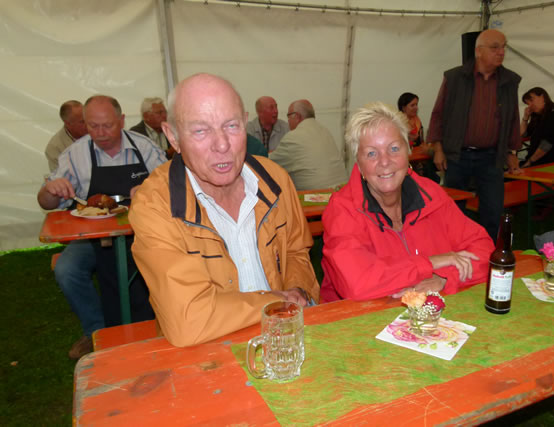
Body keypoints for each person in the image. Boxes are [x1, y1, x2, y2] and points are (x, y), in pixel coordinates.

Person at [129, 73, 320, 348]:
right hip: (207, 353)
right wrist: (277, 302)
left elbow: (296, 251)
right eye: (200, 131)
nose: (222, 145)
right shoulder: (156, 205)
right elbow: (189, 320)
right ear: (173, 137)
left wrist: (298, 289)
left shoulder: (275, 180)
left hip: (284, 341)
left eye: (231, 126)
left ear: (245, 123)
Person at [320, 102, 494, 303]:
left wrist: (444, 278)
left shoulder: (431, 195)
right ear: (358, 163)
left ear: (408, 151)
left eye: (394, 148)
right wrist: (430, 264)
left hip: (429, 312)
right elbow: (357, 284)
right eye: (371, 153)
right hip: (357, 317)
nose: (385, 161)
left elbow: (484, 250)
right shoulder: (343, 209)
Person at [38, 95, 167, 358]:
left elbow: (173, 185)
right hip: (92, 236)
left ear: (121, 121)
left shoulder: (144, 147)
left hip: (144, 232)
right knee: (67, 270)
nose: (100, 133)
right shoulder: (75, 154)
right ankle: (97, 331)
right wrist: (50, 190)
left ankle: (163, 324)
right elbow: (46, 202)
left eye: (107, 125)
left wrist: (153, 189)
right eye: (92, 126)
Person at [427, 29, 522, 242]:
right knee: (453, 209)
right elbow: (438, 113)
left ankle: (488, 250)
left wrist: (511, 151)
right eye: (495, 47)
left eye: (503, 47)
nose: (501, 52)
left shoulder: (509, 81)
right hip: (457, 155)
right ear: (478, 51)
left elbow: (513, 117)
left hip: (491, 157)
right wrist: (438, 149)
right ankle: (453, 249)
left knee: (493, 210)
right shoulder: (455, 77)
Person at [270, 100, 348, 190]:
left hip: (316, 195)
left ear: (297, 116)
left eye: (288, 116)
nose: (288, 121)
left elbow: (269, 163)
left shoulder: (293, 136)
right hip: (343, 189)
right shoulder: (325, 131)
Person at [520, 87, 554, 168]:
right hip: (539, 162)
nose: (530, 106)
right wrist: (525, 118)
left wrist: (529, 162)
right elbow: (523, 134)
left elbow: (546, 145)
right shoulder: (538, 116)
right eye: (527, 104)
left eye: (531, 100)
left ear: (543, 97)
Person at [45, 100, 88, 172]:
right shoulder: (55, 148)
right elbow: (60, 176)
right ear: (68, 124)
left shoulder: (99, 130)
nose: (88, 123)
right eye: (82, 122)